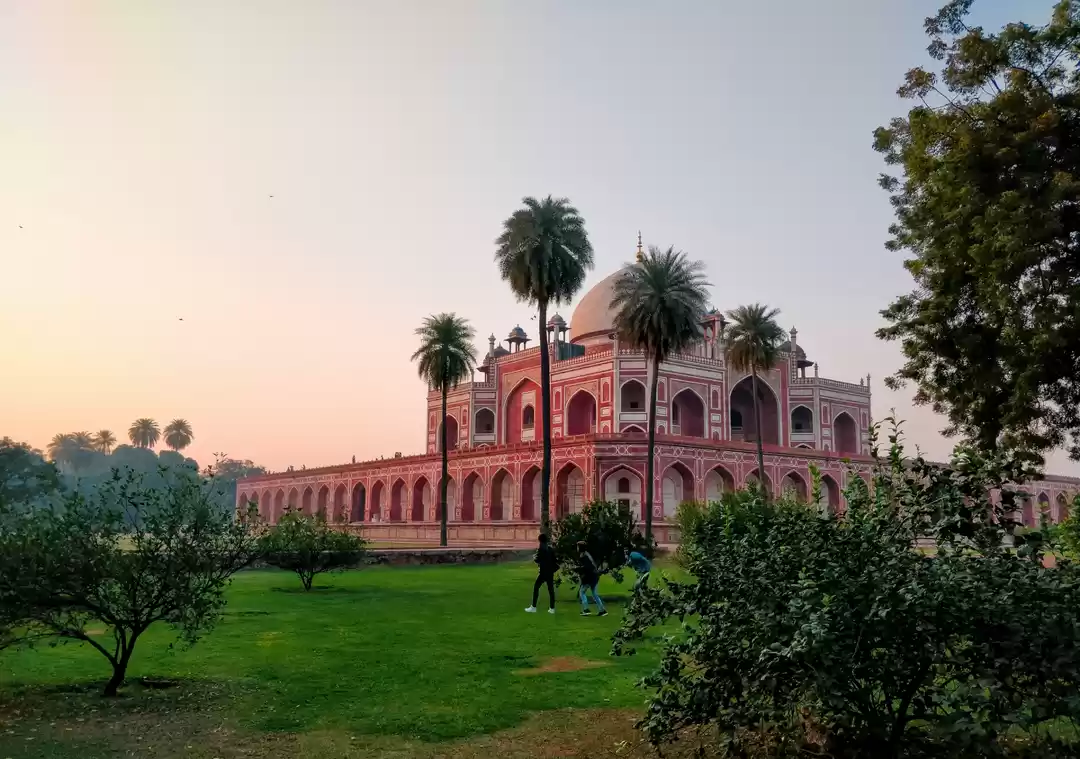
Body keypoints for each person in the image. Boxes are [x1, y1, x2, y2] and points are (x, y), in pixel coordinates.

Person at [525, 533, 557, 614]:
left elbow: (537, 560)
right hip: (550, 572)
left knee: (536, 588)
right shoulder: (550, 549)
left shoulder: (541, 549)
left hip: (543, 572)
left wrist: (535, 558)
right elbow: (554, 560)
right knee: (551, 590)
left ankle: (533, 607)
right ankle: (552, 608)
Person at [576, 541, 607, 616]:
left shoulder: (583, 556)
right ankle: (602, 610)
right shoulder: (586, 554)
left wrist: (578, 569)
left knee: (582, 592)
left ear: (580, 548)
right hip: (594, 576)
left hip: (589, 576)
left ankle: (586, 609)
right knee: (594, 593)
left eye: (577, 546)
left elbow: (587, 568)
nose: (577, 548)